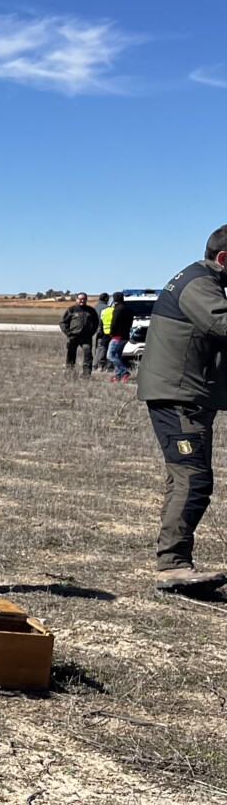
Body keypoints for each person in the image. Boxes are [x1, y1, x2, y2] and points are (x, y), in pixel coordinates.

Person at [136, 227, 227, 592]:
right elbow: (221, 323)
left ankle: (174, 562)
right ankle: (172, 566)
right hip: (179, 398)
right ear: (223, 259)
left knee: (186, 479)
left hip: (185, 394)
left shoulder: (200, 281)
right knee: (193, 479)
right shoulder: (199, 284)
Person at [59, 291, 101, 378]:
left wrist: (91, 333)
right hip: (73, 336)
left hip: (86, 338)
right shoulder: (71, 310)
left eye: (84, 299)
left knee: (88, 354)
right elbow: (63, 322)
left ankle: (86, 373)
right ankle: (70, 371)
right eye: (80, 299)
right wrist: (68, 332)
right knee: (71, 354)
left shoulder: (91, 310)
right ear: (76, 299)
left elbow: (96, 323)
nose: (82, 301)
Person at [107, 291, 135, 382]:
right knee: (117, 355)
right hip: (125, 336)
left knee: (110, 355)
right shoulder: (129, 309)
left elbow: (114, 322)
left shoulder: (118, 309)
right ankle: (118, 375)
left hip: (117, 336)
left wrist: (111, 332)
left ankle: (124, 371)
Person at [94, 292, 113, 370]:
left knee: (98, 348)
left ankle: (94, 364)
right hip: (103, 331)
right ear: (106, 299)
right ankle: (101, 365)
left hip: (95, 330)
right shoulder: (106, 308)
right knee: (103, 348)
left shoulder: (95, 307)